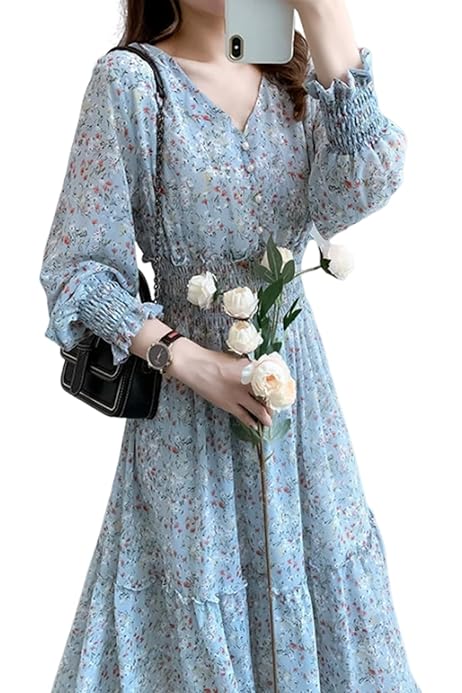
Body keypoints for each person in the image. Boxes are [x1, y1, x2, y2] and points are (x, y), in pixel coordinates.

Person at [39, 0, 421, 691]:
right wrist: (186, 359)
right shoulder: (134, 83)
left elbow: (361, 187)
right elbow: (79, 270)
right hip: (186, 429)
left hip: (299, 415)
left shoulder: (293, 79)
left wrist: (324, 14)